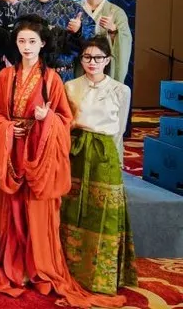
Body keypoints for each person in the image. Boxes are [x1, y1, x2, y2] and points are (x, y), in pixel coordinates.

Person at [0, 15, 124, 307]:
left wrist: (46, 118)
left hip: (40, 151)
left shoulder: (51, 79)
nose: (26, 47)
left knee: (38, 212)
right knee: (12, 211)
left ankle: (38, 267)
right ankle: (15, 266)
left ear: (42, 43)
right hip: (13, 150)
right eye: (21, 41)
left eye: (32, 41)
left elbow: (65, 120)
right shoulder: (4, 77)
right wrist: (7, 127)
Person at [60, 36, 137, 295]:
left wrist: (118, 160)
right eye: (87, 57)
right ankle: (69, 267)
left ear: (108, 60)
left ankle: (101, 274)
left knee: (104, 212)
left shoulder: (120, 90)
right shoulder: (70, 87)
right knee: (72, 208)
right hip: (76, 150)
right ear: (81, 59)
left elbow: (120, 130)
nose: (92, 62)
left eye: (98, 58)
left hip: (105, 154)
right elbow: (66, 122)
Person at [13, 0, 94, 81]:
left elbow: (92, 36)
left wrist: (79, 30)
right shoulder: (18, 8)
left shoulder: (72, 8)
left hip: (63, 75)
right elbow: (8, 42)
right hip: (26, 75)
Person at [79, 0, 132, 83]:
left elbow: (125, 44)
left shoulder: (117, 12)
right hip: (79, 66)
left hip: (104, 68)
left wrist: (113, 31)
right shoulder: (72, 8)